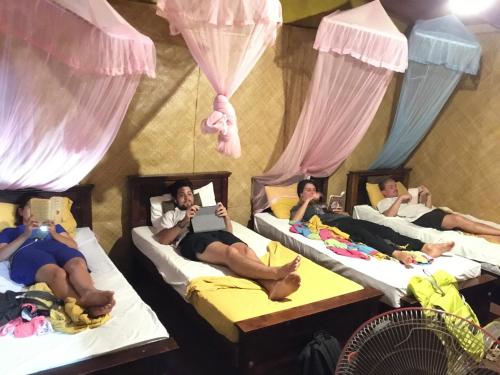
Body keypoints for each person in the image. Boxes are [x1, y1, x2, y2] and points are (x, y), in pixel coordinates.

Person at [157, 179, 301, 301]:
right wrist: (184, 221)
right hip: (193, 238)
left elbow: (228, 232)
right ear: (176, 199)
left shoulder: (207, 210)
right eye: (182, 195)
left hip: (216, 232)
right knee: (230, 252)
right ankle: (275, 273)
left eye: (189, 194)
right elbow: (163, 239)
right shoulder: (172, 214)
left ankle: (273, 287)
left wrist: (225, 216)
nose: (187, 197)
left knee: (245, 250)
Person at [291, 180, 454, 266]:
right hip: (335, 227)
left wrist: (342, 213)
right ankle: (396, 253)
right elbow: (295, 220)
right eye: (308, 190)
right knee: (365, 235)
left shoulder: (322, 205)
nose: (313, 193)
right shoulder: (298, 207)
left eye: (314, 190)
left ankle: (424, 246)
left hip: (344, 220)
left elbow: (332, 214)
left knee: (383, 229)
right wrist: (306, 201)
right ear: (301, 193)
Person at [0, 195, 115, 317]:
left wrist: (54, 233)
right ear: (21, 211)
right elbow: (1, 255)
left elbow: (73, 246)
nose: (36, 212)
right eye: (31, 207)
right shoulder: (10, 231)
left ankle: (89, 293)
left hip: (56, 247)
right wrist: (25, 235)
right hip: (28, 252)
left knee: (76, 263)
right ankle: (83, 308)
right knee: (57, 273)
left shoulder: (57, 228)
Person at [378, 177, 500, 236]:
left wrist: (428, 195)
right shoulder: (385, 202)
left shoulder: (406, 198)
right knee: (457, 220)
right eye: (391, 187)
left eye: (395, 186)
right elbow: (388, 216)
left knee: (462, 220)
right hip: (419, 218)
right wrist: (400, 199)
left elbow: (427, 208)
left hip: (428, 213)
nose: (395, 188)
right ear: (383, 192)